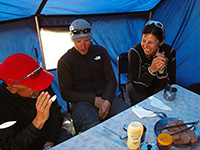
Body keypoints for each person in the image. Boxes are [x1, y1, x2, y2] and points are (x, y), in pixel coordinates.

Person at [57, 19, 129, 132]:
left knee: (128, 115)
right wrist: (93, 100)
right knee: (93, 129)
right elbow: (65, 93)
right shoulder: (65, 61)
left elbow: (111, 79)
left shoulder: (101, 52)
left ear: (91, 38)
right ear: (72, 40)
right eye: (78, 41)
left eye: (86, 40)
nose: (83, 45)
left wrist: (107, 100)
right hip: (82, 103)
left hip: (106, 97)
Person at [0, 53, 71, 150]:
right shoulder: (3, 103)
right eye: (33, 88)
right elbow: (10, 146)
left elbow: (56, 115)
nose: (39, 89)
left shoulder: (42, 85)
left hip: (49, 137)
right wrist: (38, 122)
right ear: (12, 88)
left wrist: (50, 142)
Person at [126, 20, 176, 106]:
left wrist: (161, 72)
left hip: (156, 85)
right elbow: (137, 86)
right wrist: (152, 70)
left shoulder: (169, 52)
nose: (145, 46)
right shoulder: (135, 52)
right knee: (144, 104)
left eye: (151, 42)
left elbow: (170, 85)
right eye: (144, 40)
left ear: (161, 42)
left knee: (165, 101)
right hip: (136, 85)